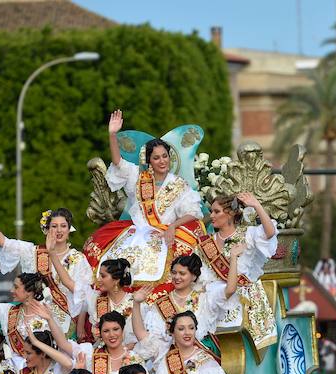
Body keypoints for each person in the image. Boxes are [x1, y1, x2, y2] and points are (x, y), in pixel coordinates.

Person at [90, 110, 205, 284]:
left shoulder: (179, 184)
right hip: (137, 234)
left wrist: (173, 226)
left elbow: (193, 212)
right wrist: (112, 135)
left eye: (165, 156)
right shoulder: (136, 176)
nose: (162, 161)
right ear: (149, 160)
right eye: (156, 157)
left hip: (167, 236)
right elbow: (117, 162)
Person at [0, 201, 91, 333]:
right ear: (47, 229)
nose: (59, 230)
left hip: (63, 320)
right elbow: (4, 242)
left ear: (69, 229)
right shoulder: (32, 252)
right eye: (54, 226)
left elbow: (82, 295)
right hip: (31, 314)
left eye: (63, 226)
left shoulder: (78, 259)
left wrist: (80, 326)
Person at [196, 192, 278, 350]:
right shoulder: (207, 243)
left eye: (216, 211)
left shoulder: (248, 234)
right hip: (216, 299)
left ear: (231, 213)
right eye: (211, 211)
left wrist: (256, 205)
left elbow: (269, 233)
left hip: (243, 298)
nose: (211, 215)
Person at [140, 254, 237, 345]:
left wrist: (233, 258)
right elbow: (154, 339)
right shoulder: (163, 303)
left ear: (194, 276)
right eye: (174, 273)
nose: (177, 277)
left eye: (182, 273)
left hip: (202, 354)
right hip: (175, 356)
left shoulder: (204, 298)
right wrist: (136, 303)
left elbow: (230, 289)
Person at [83, 258, 137, 344]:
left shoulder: (135, 303)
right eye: (99, 275)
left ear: (116, 280)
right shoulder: (96, 300)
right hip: (103, 354)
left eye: (103, 276)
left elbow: (138, 339)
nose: (99, 279)